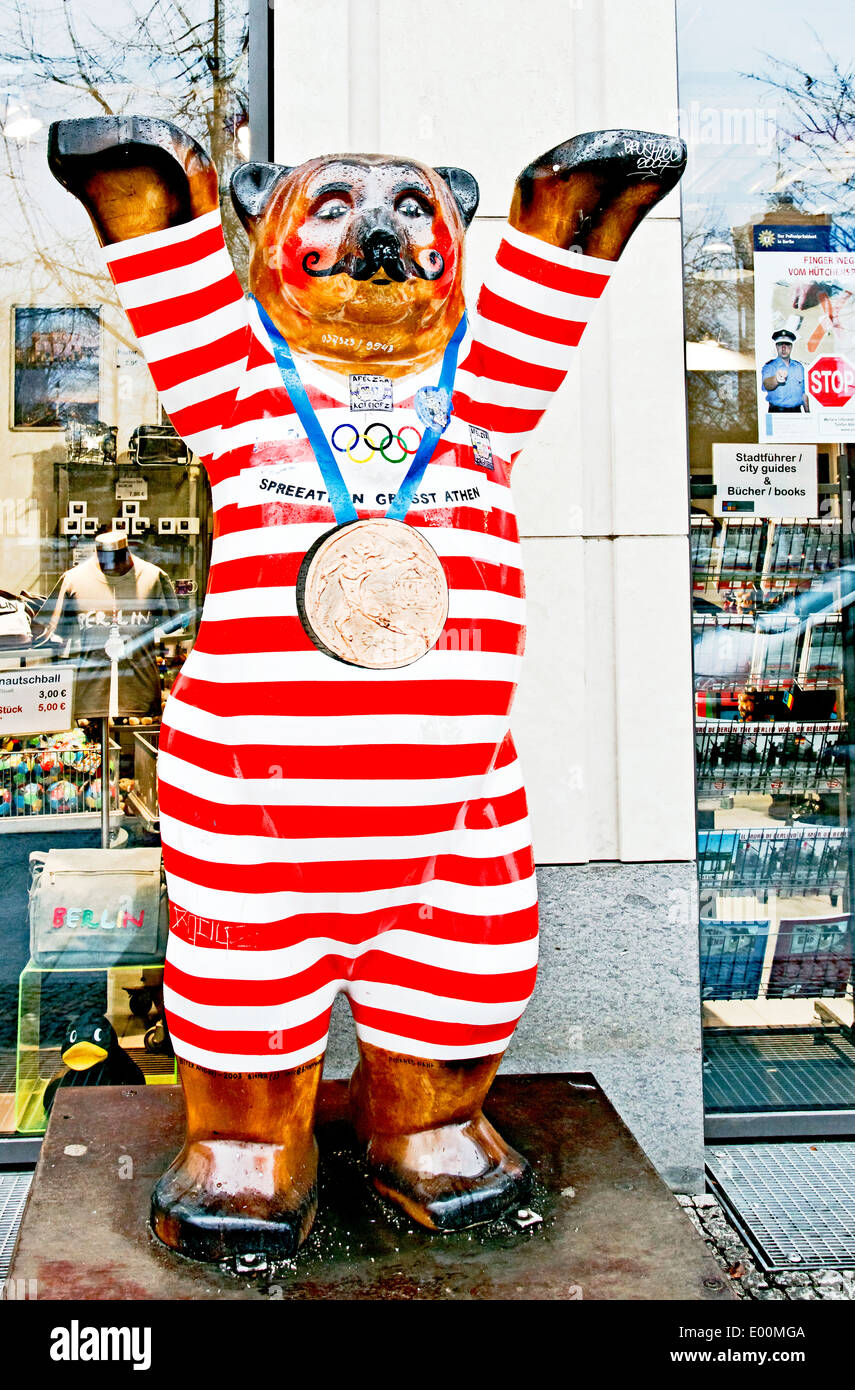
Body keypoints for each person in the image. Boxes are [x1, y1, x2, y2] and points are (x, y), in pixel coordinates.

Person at [761, 328, 809, 412]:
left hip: (797, 412)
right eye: (780, 344)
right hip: (777, 412)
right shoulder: (770, 366)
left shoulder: (799, 367)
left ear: (791, 346)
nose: (783, 348)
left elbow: (803, 394)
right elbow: (767, 385)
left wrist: (808, 413)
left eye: (787, 344)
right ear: (776, 346)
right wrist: (776, 379)